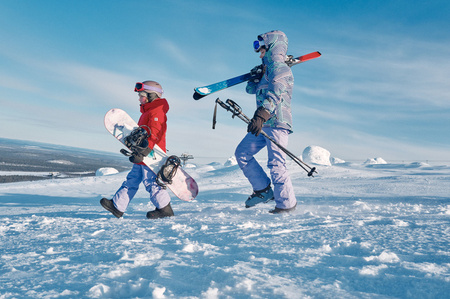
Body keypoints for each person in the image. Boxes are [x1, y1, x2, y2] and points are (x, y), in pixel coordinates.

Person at [235, 30, 297, 214]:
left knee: (276, 164)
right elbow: (252, 90)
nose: (258, 52)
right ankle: (263, 190)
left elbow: (275, 93)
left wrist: (261, 115)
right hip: (263, 123)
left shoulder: (281, 69)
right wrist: (254, 79)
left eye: (261, 49)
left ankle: (286, 205)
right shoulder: (267, 70)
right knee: (242, 153)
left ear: (271, 48)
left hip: (277, 122)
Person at [100, 80, 174, 219]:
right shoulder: (148, 111)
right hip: (142, 152)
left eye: (142, 95)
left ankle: (165, 209)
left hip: (151, 154)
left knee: (151, 181)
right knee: (132, 179)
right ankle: (117, 206)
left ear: (152, 95)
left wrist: (144, 152)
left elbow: (155, 133)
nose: (139, 99)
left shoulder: (157, 111)